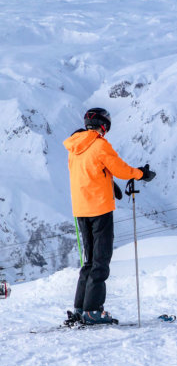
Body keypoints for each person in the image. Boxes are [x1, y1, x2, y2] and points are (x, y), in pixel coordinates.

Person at [64, 108, 155, 325]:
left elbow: (88, 172)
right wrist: (141, 173)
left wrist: (108, 181)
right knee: (101, 261)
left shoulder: (74, 147)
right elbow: (122, 169)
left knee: (89, 261)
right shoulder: (99, 144)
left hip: (81, 210)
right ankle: (93, 311)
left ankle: (80, 307)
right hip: (99, 209)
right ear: (104, 125)